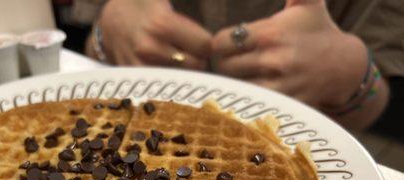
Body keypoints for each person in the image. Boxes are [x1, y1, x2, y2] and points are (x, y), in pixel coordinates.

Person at [81, 0, 404, 131]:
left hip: (298, 140)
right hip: (132, 122)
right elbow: (85, 45)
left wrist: (348, 73)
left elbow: (380, 94)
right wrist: (107, 30)